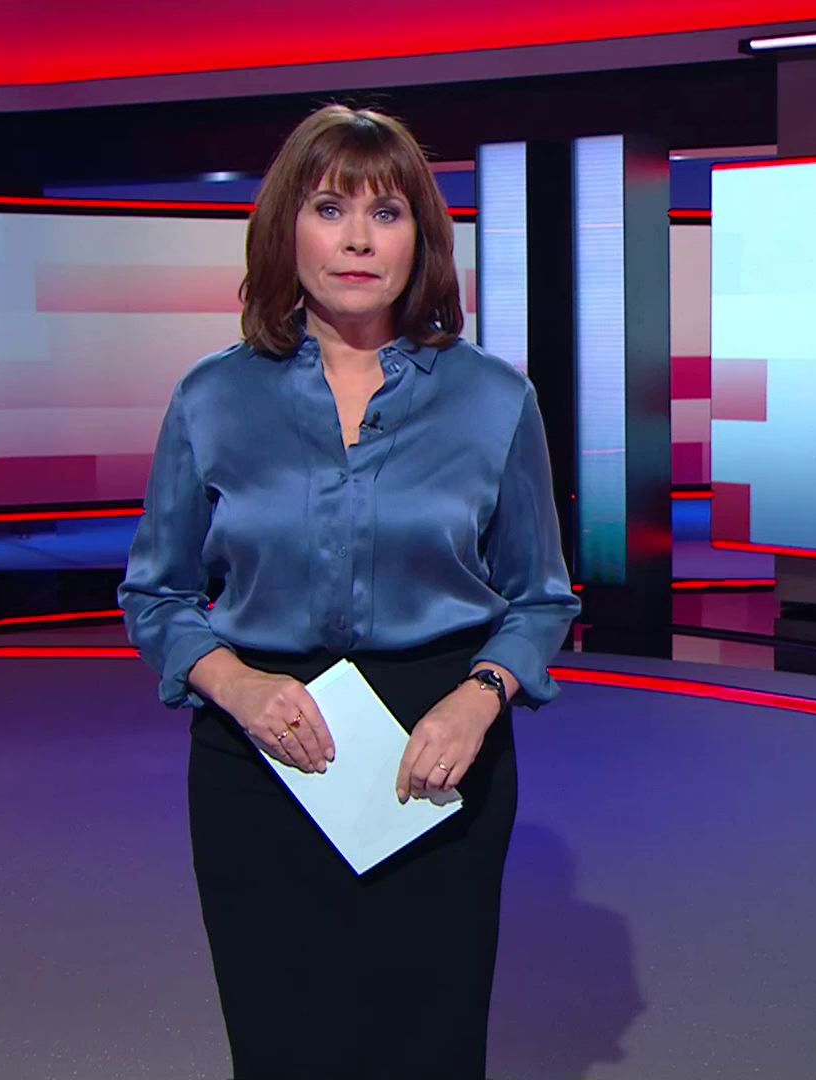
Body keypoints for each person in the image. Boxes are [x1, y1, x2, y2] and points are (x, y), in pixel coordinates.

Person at [117, 103, 580, 1080]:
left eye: (387, 212)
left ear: (423, 237)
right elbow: (155, 595)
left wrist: (479, 696)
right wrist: (237, 684)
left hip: (438, 754)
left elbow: (541, 598)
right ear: (287, 229)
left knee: (425, 1047)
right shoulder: (212, 397)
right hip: (260, 756)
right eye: (330, 209)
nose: (359, 239)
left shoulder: (495, 398)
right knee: (284, 1047)